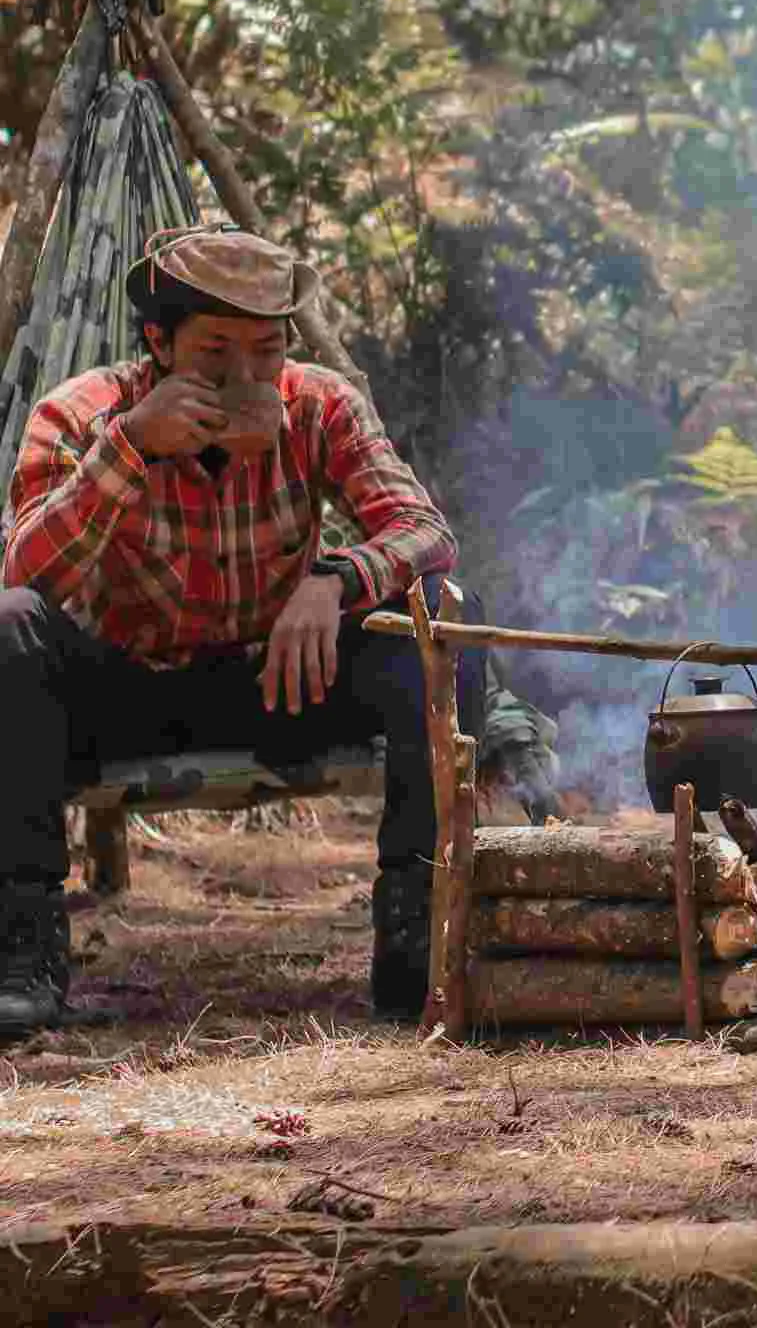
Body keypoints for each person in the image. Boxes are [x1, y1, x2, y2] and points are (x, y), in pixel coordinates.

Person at [0, 222, 485, 1036]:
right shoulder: (82, 414)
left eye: (266, 352)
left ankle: (416, 941)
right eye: (215, 354)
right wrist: (130, 449)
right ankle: (23, 951)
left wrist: (334, 581)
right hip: (122, 688)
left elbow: (424, 529)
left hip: (275, 681)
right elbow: (27, 569)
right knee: (10, 629)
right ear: (158, 343)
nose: (245, 380)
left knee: (434, 627)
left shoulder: (319, 402)